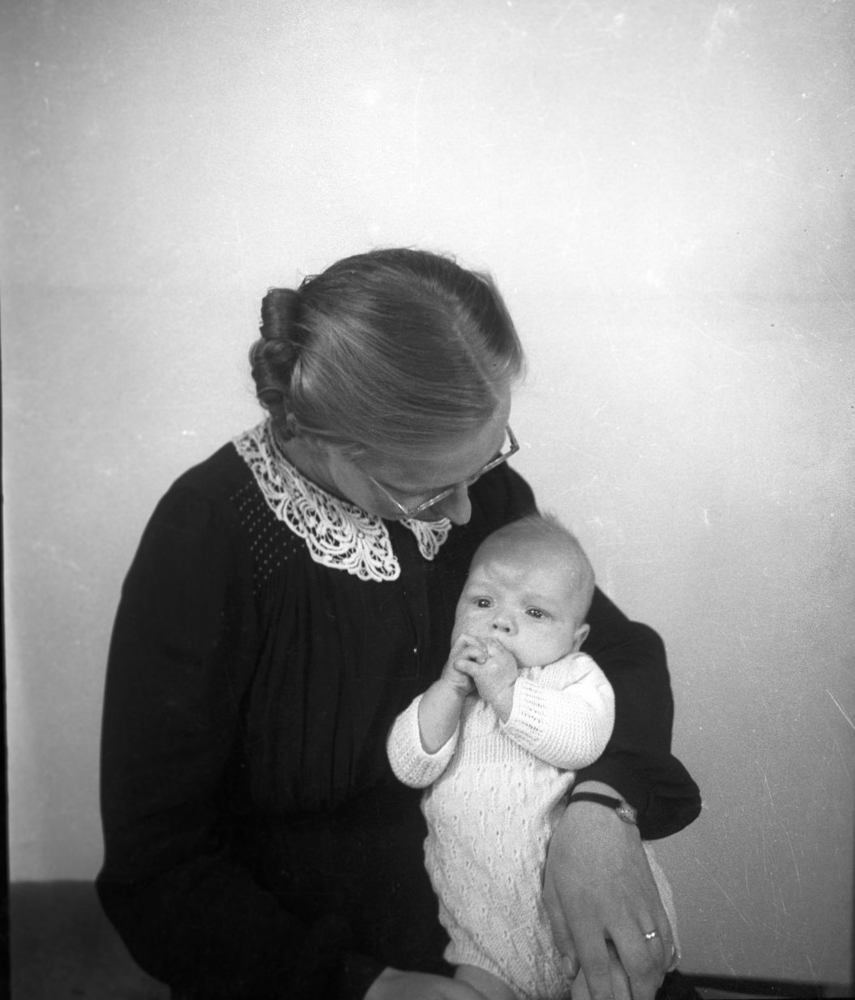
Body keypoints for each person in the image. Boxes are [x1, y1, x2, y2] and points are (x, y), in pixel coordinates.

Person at [96, 247, 702, 1000]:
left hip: (514, 912)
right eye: (430, 490)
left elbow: (618, 652)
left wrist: (604, 805)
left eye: (484, 465)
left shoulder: (477, 492)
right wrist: (365, 986)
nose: (466, 513)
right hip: (315, 961)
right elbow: (156, 870)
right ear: (326, 442)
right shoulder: (207, 533)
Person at [387, 514, 678, 1000]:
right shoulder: (455, 691)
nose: (501, 621)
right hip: (485, 931)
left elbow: (582, 742)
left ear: (575, 638)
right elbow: (410, 765)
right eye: (483, 602)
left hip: (585, 909)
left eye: (536, 613)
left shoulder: (574, 675)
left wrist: (506, 694)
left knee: (609, 984)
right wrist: (448, 690)